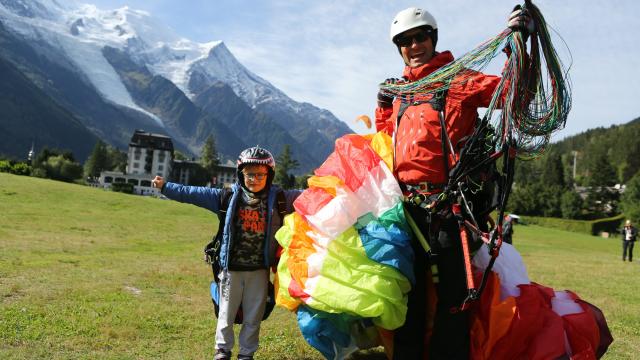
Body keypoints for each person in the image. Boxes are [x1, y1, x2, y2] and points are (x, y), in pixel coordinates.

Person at [375, 5, 533, 359]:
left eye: (420, 37)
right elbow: (388, 140)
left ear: (432, 37)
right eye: (404, 41)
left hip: (448, 209)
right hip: (405, 212)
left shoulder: (459, 81)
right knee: (408, 296)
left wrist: (518, 47)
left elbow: (511, 95)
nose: (413, 45)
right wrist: (383, 107)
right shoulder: (400, 92)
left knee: (456, 296)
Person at [152, 146, 300, 360]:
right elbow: (192, 193)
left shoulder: (280, 200)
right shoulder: (227, 197)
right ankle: (222, 350)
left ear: (269, 175)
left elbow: (310, 196)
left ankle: (246, 354)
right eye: (250, 174)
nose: (255, 179)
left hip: (259, 270)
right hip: (230, 269)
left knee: (253, 315)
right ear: (241, 174)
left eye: (260, 174)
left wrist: (336, 189)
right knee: (226, 313)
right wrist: (165, 187)